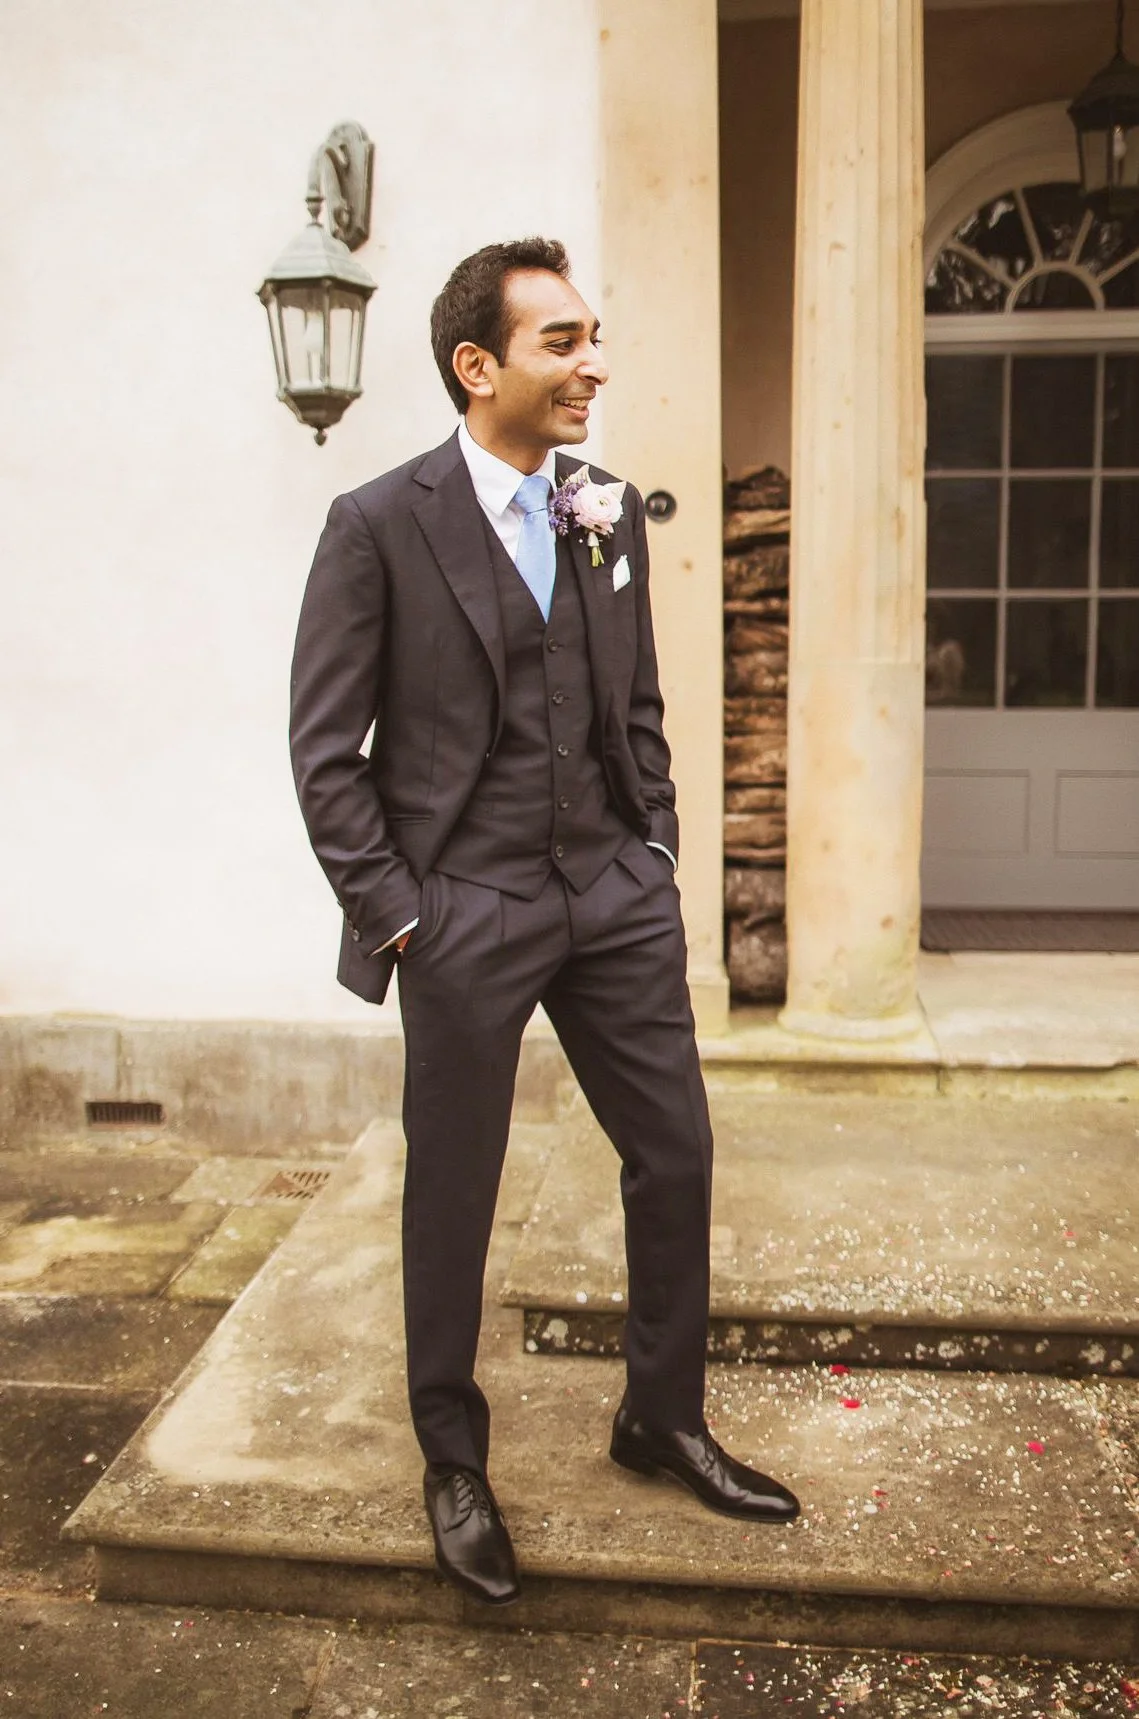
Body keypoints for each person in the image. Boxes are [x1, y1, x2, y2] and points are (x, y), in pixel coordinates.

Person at [289, 237, 800, 1607]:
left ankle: (660, 1417)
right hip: (463, 906)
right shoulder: (377, 524)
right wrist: (400, 916)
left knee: (676, 1150)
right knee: (451, 1190)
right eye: (562, 341)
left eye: (593, 336)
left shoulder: (605, 507)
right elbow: (325, 750)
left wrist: (656, 856)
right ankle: (453, 1455)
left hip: (613, 897)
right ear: (480, 367)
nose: (594, 364)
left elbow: (630, 702)